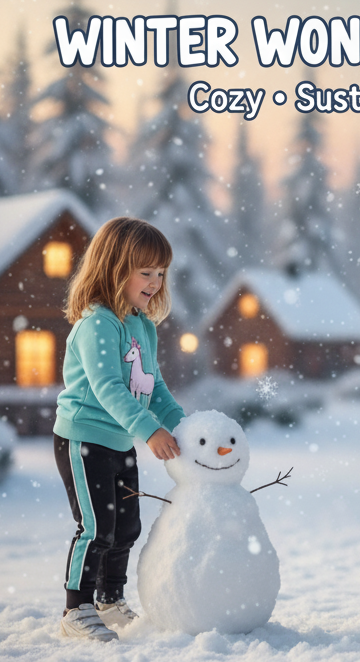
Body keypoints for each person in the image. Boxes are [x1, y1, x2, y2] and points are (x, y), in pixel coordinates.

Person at [54, 217, 185, 641]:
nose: (155, 281)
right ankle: (77, 608)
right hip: (84, 437)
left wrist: (188, 428)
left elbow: (155, 387)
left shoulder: (142, 325)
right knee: (95, 527)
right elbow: (108, 386)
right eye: (145, 272)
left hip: (118, 439)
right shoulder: (98, 323)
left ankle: (110, 600)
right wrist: (149, 431)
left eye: (161, 272)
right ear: (114, 268)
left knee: (126, 527)